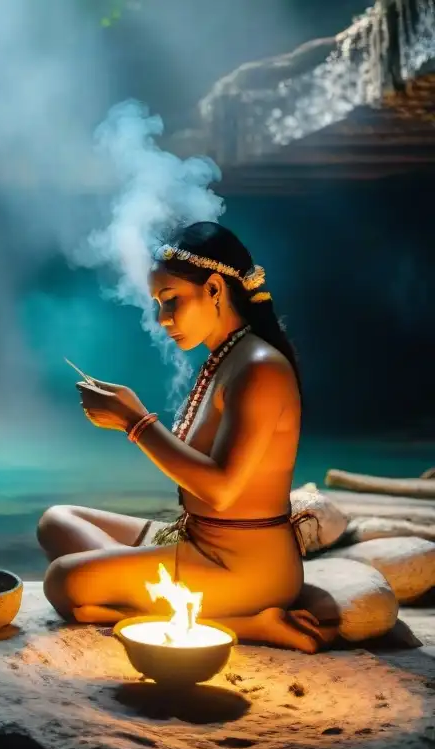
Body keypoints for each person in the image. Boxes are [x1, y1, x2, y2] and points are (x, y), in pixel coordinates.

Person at [38, 221, 336, 653]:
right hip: (194, 540)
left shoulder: (259, 367)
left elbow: (221, 489)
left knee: (62, 581)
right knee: (57, 521)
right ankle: (127, 584)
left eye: (171, 300)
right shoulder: (227, 357)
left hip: (242, 568)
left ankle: (253, 623)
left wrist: (134, 423)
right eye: (158, 303)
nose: (162, 319)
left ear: (215, 289)